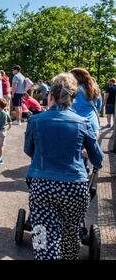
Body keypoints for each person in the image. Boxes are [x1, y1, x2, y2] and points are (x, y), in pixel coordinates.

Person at [24, 72, 103, 260]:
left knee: (41, 231)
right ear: (73, 98)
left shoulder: (35, 121)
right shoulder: (83, 123)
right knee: (71, 233)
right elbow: (98, 160)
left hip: (42, 186)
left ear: (50, 95)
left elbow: (29, 151)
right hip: (74, 187)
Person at [70, 68, 102, 136]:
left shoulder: (72, 90)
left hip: (76, 125)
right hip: (92, 124)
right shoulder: (95, 89)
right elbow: (99, 106)